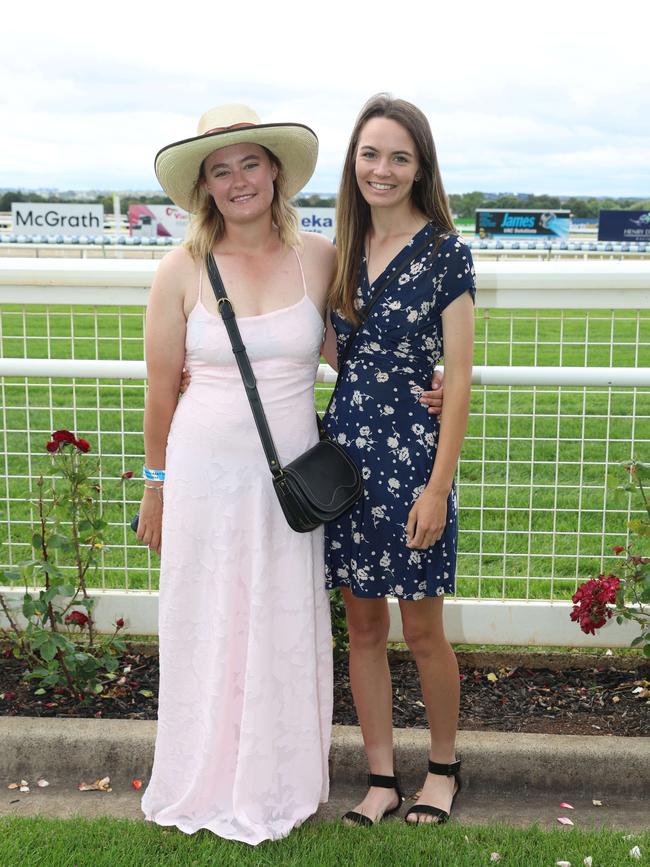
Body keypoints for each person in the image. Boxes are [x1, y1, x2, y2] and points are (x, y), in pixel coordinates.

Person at [136, 104, 337, 845]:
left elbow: (354, 365)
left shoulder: (319, 258)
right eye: (220, 170)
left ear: (275, 169)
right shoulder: (178, 269)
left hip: (287, 485)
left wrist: (436, 386)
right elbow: (162, 391)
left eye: (250, 162)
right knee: (207, 620)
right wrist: (155, 484)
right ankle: (204, 774)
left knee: (280, 619)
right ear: (204, 187)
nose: (238, 180)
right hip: (203, 477)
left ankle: (275, 777)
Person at [323, 93, 475, 826]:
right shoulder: (337, 250)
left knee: (421, 630)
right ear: (354, 162)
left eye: (398, 157)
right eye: (370, 153)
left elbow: (461, 377)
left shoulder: (446, 253)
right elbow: (325, 349)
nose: (381, 169)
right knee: (362, 628)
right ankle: (381, 776)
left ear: (420, 169)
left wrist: (438, 487)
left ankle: (442, 767)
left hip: (414, 466)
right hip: (347, 464)